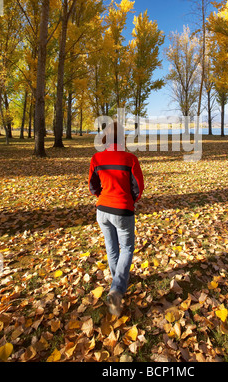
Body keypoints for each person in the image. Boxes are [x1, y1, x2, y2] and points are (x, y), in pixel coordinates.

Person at [88, 121, 144, 317]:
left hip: (102, 210)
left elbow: (93, 187)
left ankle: (117, 280)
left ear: (104, 137)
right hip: (122, 209)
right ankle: (117, 289)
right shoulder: (130, 159)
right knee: (127, 248)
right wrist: (129, 200)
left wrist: (103, 198)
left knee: (112, 247)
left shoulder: (96, 158)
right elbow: (138, 187)